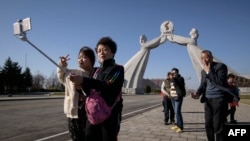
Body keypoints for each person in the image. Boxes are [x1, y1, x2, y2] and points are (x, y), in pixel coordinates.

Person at [69, 37, 124, 141]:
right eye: (99, 51)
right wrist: (78, 87)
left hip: (110, 115)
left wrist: (83, 80)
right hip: (93, 115)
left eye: (105, 49)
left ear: (112, 52)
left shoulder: (118, 69)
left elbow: (108, 84)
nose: (101, 53)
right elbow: (88, 92)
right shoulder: (95, 71)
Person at [191, 50, 240, 141]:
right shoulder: (203, 71)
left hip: (219, 99)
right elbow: (203, 85)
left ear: (211, 58)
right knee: (208, 124)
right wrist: (197, 92)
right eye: (202, 58)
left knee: (218, 125)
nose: (204, 60)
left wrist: (209, 71)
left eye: (206, 57)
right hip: (208, 100)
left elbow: (220, 82)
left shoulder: (221, 67)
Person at [57, 46, 95, 141]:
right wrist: (62, 65)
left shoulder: (96, 74)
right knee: (76, 138)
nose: (80, 59)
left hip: (91, 113)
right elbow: (61, 76)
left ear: (91, 59)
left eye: (84, 57)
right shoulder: (72, 72)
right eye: (79, 57)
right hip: (74, 113)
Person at [170, 68, 186, 133]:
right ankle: (177, 125)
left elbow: (178, 85)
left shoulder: (180, 79)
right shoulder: (172, 80)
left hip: (178, 97)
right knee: (175, 112)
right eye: (172, 73)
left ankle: (181, 127)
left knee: (178, 112)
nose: (173, 74)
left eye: (175, 73)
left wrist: (174, 79)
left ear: (177, 73)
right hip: (173, 97)